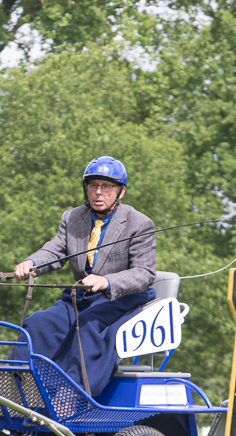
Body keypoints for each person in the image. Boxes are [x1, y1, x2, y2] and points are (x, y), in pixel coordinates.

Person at [13, 156, 156, 396]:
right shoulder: (72, 218)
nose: (98, 192)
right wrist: (32, 262)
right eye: (93, 186)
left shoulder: (139, 223)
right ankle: (22, 391)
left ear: (120, 192)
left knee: (88, 328)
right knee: (38, 323)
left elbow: (145, 273)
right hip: (81, 298)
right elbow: (55, 250)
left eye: (106, 187)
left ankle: (72, 397)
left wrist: (107, 281)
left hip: (121, 301)